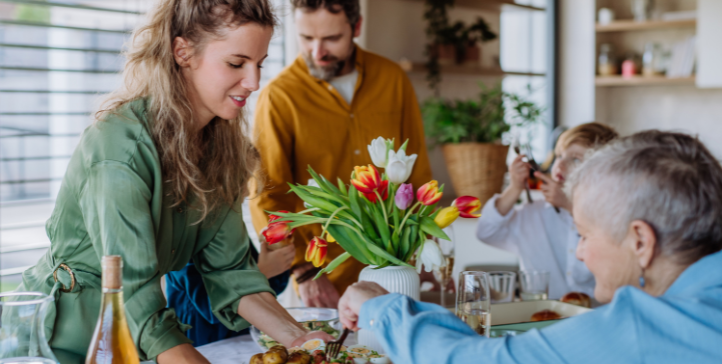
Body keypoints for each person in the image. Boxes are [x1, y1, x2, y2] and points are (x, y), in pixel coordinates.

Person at [14, 1, 331, 363]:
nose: (254, 82)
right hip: (58, 342)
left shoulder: (219, 148)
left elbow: (231, 271)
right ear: (183, 52)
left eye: (259, 64)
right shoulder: (120, 149)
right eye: (235, 63)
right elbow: (132, 295)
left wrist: (302, 339)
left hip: (131, 342)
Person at [338, 130, 722, 363]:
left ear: (641, 240)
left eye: (585, 234)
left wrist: (379, 305)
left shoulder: (640, 327)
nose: (579, 251)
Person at [250, 0, 432, 308]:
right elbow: (268, 196)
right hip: (321, 278)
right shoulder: (279, 97)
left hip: (396, 268)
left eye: (331, 39)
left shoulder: (393, 79)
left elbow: (417, 172)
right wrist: (303, 272)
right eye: (306, 38)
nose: (317, 51)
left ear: (356, 27)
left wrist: (428, 252)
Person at [476, 122, 618, 299]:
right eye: (559, 155)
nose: (560, 164)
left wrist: (571, 206)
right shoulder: (533, 213)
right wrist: (514, 188)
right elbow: (486, 232)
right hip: (541, 316)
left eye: (575, 159)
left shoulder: (613, 220)